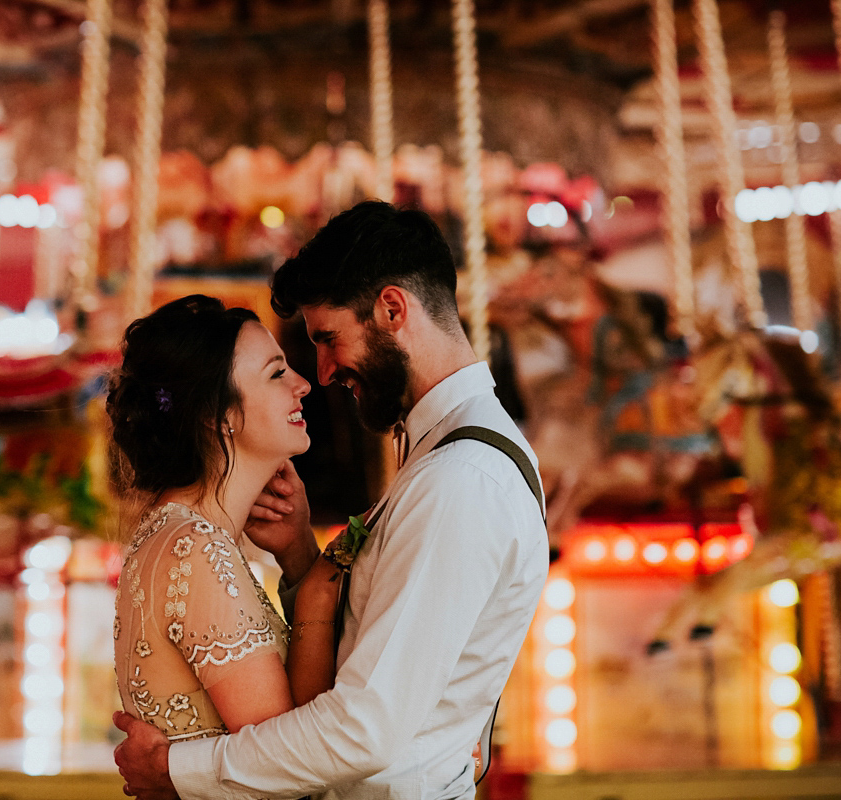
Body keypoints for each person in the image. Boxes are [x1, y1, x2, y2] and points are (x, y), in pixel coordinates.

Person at [113, 201, 549, 800]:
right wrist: (300, 560)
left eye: (328, 338)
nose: (318, 375)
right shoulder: (438, 458)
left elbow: (364, 728)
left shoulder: (462, 478)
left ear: (392, 310)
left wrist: (177, 772)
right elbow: (369, 659)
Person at [108, 296, 344, 750]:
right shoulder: (194, 549)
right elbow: (284, 764)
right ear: (216, 416)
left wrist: (298, 554)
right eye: (277, 373)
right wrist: (317, 589)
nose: (303, 385)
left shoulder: (185, 534)